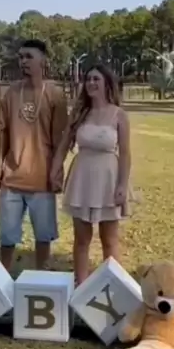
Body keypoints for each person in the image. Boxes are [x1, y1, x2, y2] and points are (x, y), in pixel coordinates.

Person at [50, 63, 131, 285]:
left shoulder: (119, 115)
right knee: (81, 239)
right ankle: (81, 285)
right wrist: (55, 169)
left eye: (96, 79)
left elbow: (125, 154)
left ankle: (112, 286)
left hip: (108, 179)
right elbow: (64, 145)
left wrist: (122, 185)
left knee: (109, 239)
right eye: (88, 79)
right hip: (82, 179)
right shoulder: (80, 113)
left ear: (107, 84)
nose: (91, 83)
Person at [0, 39, 69, 272]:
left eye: (29, 57)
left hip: (42, 180)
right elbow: (4, 132)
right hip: (12, 178)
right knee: (7, 237)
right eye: (21, 57)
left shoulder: (55, 94)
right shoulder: (11, 93)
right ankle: (3, 278)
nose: (23, 61)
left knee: (43, 236)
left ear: (43, 61)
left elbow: (60, 139)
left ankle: (40, 278)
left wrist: (56, 171)